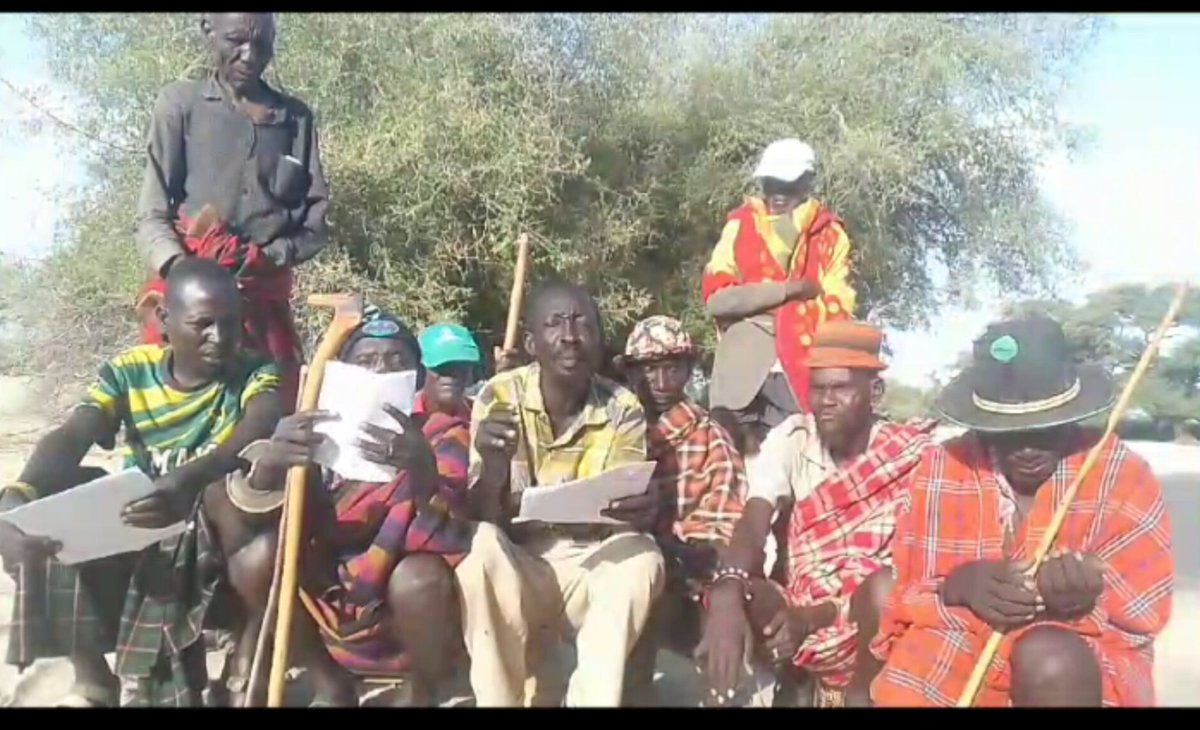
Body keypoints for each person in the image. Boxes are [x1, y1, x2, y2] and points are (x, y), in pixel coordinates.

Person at [0, 258, 283, 707]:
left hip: (216, 542)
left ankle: (241, 649)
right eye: (203, 324)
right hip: (140, 527)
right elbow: (75, 433)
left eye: (230, 323)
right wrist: (16, 497)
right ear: (164, 321)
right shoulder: (129, 372)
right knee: (50, 508)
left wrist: (186, 481)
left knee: (225, 497)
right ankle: (93, 679)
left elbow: (259, 427)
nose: (220, 337)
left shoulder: (254, 372)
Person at [871, 315, 1174, 707]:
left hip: (1080, 660)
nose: (1028, 448)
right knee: (918, 662)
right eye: (1009, 432)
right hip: (957, 639)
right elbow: (906, 595)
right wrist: (958, 585)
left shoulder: (1121, 473)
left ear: (1074, 416)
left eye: (1045, 428)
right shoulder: (945, 466)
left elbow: (1140, 613)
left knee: (1049, 657)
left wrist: (1083, 599)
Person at [227, 308, 510, 706]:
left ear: (416, 376)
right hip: (329, 585)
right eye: (367, 361)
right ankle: (328, 683)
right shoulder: (315, 424)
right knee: (251, 560)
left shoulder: (441, 432)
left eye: (396, 362)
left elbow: (456, 532)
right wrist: (273, 461)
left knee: (419, 579)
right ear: (345, 372)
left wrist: (422, 471)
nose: (380, 372)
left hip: (404, 600)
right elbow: (252, 515)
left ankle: (423, 690)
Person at [698, 321, 936, 708]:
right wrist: (726, 592)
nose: (825, 400)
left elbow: (901, 573)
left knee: (884, 593)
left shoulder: (907, 456)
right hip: (794, 598)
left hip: (868, 613)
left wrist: (813, 617)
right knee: (728, 600)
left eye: (840, 388)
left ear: (874, 392)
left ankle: (862, 696)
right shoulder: (794, 438)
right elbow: (754, 521)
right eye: (818, 388)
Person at [460, 279, 664, 707]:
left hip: (590, 561)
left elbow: (620, 508)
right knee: (479, 547)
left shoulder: (621, 405)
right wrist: (493, 468)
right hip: (522, 563)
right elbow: (484, 514)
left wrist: (640, 510)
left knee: (642, 554)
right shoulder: (500, 395)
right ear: (532, 343)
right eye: (555, 324)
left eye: (582, 324)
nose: (570, 336)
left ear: (598, 339)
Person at [135, 12, 330, 409]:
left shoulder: (295, 119)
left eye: (262, 44)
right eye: (237, 40)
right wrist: (185, 273)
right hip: (191, 302)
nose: (249, 55)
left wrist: (270, 256)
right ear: (208, 31)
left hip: (263, 297)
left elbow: (315, 223)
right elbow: (152, 213)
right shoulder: (179, 105)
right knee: (176, 415)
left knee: (265, 419)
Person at [616, 316, 747, 705]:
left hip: (684, 569)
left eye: (671, 368)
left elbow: (724, 520)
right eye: (649, 369)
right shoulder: (615, 425)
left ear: (689, 371)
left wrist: (673, 548)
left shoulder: (710, 437)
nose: (659, 381)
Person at [702, 138, 856, 449]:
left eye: (787, 183)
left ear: (807, 184)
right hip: (738, 379)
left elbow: (838, 312)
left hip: (799, 380)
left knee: (797, 477)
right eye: (771, 183)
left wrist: (755, 305)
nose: (777, 194)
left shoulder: (830, 235)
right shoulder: (740, 226)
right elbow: (718, 300)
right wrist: (793, 291)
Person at [416, 322, 484, 419]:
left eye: (461, 367)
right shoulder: (401, 417)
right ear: (420, 370)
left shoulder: (480, 418)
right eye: (442, 367)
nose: (452, 374)